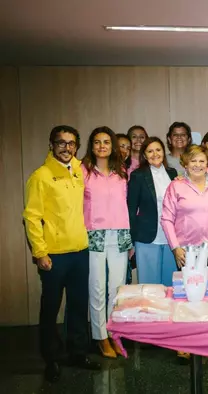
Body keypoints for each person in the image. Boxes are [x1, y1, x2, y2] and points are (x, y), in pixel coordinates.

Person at [23, 125, 100, 382]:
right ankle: (51, 359)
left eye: (71, 143)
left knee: (78, 307)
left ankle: (78, 352)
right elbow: (32, 218)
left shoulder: (79, 171)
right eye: (61, 143)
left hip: (80, 251)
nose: (66, 148)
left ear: (76, 146)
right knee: (51, 308)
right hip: (53, 255)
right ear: (51, 145)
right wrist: (40, 252)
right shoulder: (41, 176)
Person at [81, 127, 132, 358]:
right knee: (98, 287)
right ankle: (100, 336)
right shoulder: (83, 171)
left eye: (106, 142)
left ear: (112, 146)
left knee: (117, 288)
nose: (102, 146)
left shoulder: (121, 171)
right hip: (95, 233)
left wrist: (129, 239)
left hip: (120, 233)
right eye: (97, 142)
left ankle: (114, 332)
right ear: (91, 146)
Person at [161, 144, 208, 283]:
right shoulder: (176, 186)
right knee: (190, 293)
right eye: (193, 161)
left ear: (207, 163)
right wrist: (175, 248)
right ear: (185, 163)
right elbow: (166, 219)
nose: (197, 165)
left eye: (202, 161)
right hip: (186, 252)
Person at [127, 137, 178, 286]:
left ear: (163, 152)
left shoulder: (172, 173)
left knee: (170, 285)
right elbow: (131, 209)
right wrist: (131, 240)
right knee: (149, 287)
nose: (155, 154)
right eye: (150, 151)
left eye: (158, 150)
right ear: (144, 155)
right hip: (147, 237)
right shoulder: (138, 176)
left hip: (171, 238)